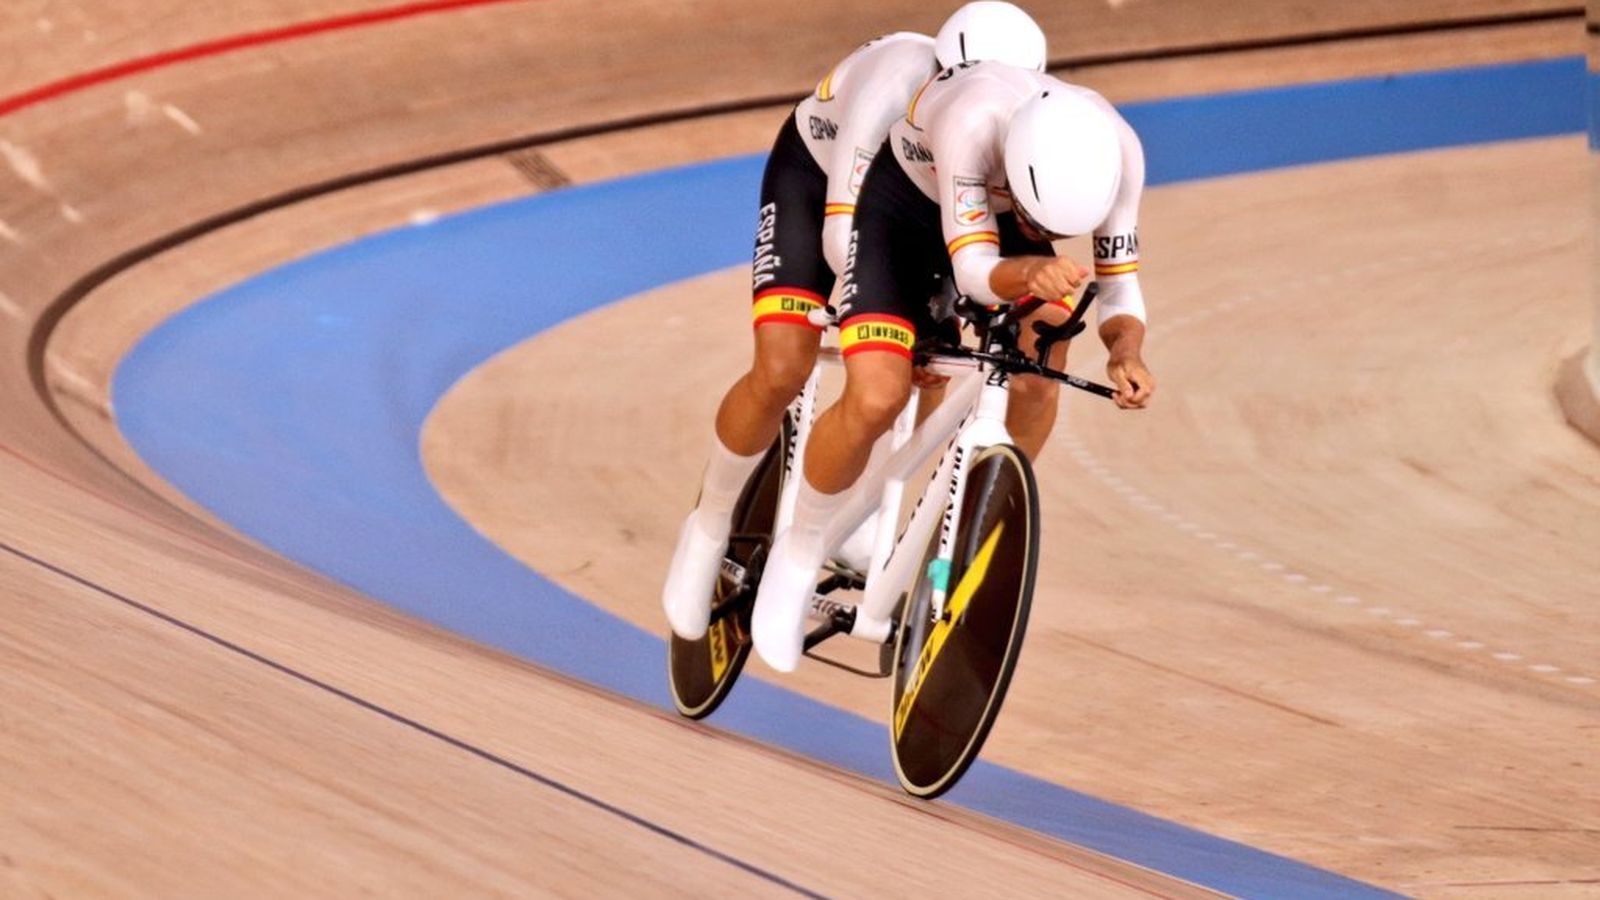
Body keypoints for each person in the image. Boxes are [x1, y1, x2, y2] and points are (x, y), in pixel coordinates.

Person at [750, 60, 1156, 671]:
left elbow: (1119, 286)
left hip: (997, 221)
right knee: (878, 395)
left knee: (1045, 352)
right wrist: (1029, 268)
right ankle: (799, 551)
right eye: (1038, 220)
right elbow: (973, 272)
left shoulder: (1119, 154)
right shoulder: (972, 119)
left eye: (1053, 229)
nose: (1042, 231)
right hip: (904, 206)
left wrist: (1126, 353)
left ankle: (962, 533)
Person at [662, 3, 1050, 642]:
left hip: (937, 188)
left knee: (964, 354)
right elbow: (844, 238)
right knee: (784, 366)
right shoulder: (893, 84)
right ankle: (707, 526)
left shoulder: (1012, 118)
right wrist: (910, 314)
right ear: (941, 72)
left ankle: (873, 500)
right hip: (821, 180)